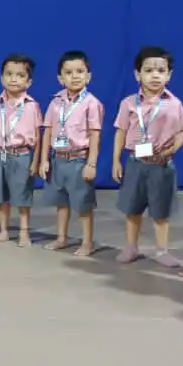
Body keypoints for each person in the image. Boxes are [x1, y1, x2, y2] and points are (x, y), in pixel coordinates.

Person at [113, 46, 183, 266]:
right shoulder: (128, 103)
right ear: (138, 74)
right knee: (132, 208)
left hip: (162, 165)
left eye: (161, 70)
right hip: (136, 163)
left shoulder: (174, 104)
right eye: (149, 70)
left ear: (169, 74)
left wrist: (171, 150)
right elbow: (121, 131)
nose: (155, 75)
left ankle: (162, 250)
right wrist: (116, 159)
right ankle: (131, 247)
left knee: (160, 211)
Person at [39, 50, 104, 257]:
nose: (74, 76)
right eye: (68, 72)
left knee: (83, 204)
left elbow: (94, 135)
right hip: (58, 159)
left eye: (80, 71)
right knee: (61, 202)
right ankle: (62, 237)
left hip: (79, 159)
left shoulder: (91, 103)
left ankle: (87, 242)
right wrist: (43, 160)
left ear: (88, 76)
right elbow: (47, 131)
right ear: (60, 78)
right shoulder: (56, 102)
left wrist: (91, 164)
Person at [0, 54, 43, 246]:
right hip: (0, 155)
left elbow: (38, 136)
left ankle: (24, 232)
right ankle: (3, 230)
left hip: (22, 155)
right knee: (2, 196)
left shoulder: (32, 107)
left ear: (29, 81)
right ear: (1, 78)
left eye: (19, 75)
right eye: (9, 74)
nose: (13, 79)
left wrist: (36, 161)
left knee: (23, 196)